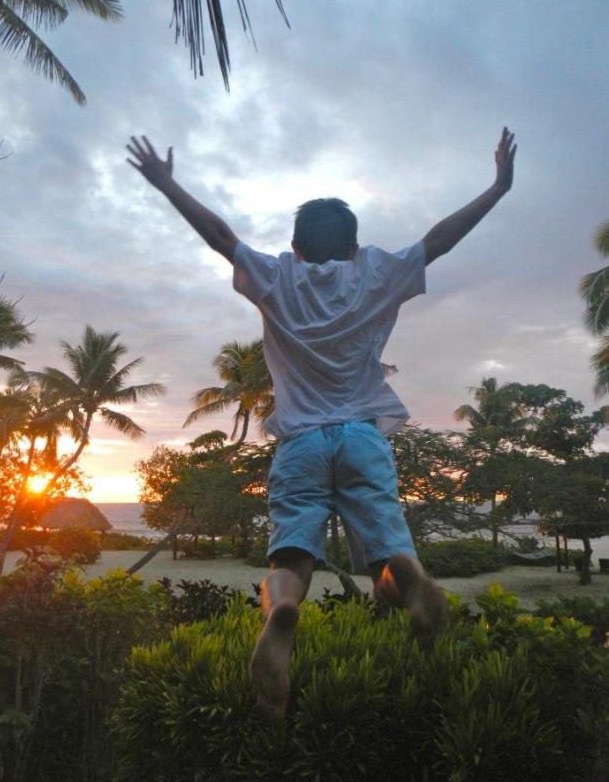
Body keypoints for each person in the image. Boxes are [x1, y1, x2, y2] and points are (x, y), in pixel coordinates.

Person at [126, 127, 517, 719]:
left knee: (290, 562)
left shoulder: (278, 277)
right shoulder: (376, 273)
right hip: (362, 436)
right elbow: (439, 240)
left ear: (296, 247)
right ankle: (401, 573)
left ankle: (283, 610)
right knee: (387, 551)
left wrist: (167, 184)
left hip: (302, 441)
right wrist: (498, 187)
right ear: (355, 248)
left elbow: (221, 238)